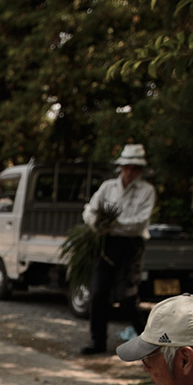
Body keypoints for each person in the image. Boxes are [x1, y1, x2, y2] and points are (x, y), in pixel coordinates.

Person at [80, 143, 156, 355]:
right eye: (126, 167)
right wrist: (97, 223)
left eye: (134, 168)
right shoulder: (108, 187)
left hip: (131, 245)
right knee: (98, 293)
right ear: (121, 167)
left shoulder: (147, 191)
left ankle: (148, 344)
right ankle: (98, 342)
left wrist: (115, 223)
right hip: (107, 243)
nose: (130, 172)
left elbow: (139, 222)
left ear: (139, 170)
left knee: (127, 295)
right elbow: (90, 210)